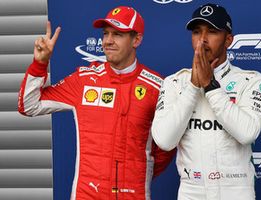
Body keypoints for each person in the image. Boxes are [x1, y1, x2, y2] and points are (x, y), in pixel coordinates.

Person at [18, 6, 175, 200]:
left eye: (117, 34)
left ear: (136, 40)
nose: (108, 41)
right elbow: (28, 105)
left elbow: (167, 146)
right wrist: (39, 64)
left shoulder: (158, 86)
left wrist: (138, 172)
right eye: (105, 34)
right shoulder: (84, 80)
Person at [151, 3, 261, 200]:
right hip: (191, 192)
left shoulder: (251, 80)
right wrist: (193, 87)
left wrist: (210, 86)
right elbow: (164, 140)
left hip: (237, 192)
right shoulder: (175, 82)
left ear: (228, 40)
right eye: (197, 32)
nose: (202, 40)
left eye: (212, 32)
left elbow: (247, 133)